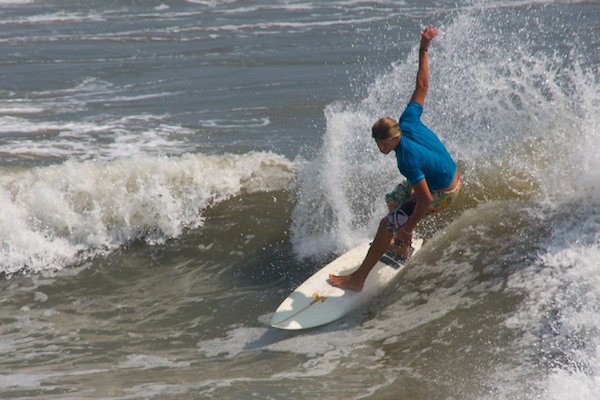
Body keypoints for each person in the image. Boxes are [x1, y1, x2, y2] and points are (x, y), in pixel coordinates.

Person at [328, 25, 460, 292]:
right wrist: (424, 48)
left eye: (381, 144)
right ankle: (400, 247)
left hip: (444, 191)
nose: (379, 149)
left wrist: (408, 227)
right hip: (448, 175)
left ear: (390, 140)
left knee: (387, 224)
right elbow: (422, 85)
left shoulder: (406, 159)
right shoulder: (408, 119)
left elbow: (426, 199)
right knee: (393, 200)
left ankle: (358, 279)